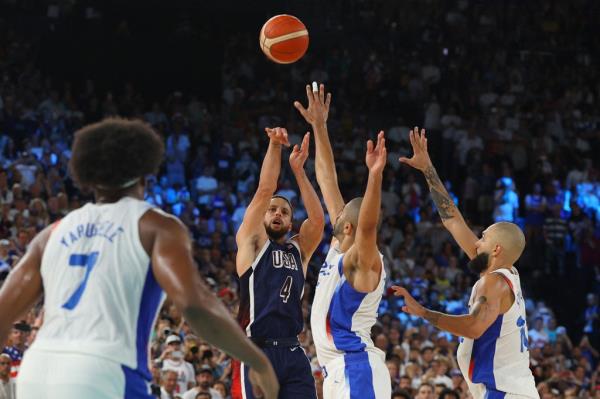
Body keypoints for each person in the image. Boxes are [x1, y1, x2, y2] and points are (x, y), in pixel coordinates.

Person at [0, 118, 278, 399]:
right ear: (146, 173)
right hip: (103, 372)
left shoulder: (51, 234)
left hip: (36, 373)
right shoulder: (155, 226)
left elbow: (3, 311)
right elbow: (195, 306)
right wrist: (257, 360)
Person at [393, 127, 538, 398]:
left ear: (495, 249)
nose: (476, 242)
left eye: (482, 238)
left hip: (503, 393)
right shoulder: (507, 274)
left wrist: (423, 312)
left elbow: (474, 327)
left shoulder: (493, 283)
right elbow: (452, 220)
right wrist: (427, 169)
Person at [294, 83, 391, 398]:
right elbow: (326, 178)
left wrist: (374, 175)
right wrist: (319, 126)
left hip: (356, 368)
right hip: (339, 370)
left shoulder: (363, 258)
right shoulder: (340, 243)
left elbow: (367, 227)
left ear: (349, 227)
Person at [232, 127, 324, 398]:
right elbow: (264, 190)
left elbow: (318, 221)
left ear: (290, 222)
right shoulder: (252, 242)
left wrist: (299, 171)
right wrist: (274, 146)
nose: (277, 213)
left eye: (284, 212)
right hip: (256, 349)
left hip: (292, 351)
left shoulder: (299, 250)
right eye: (272, 210)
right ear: (262, 217)